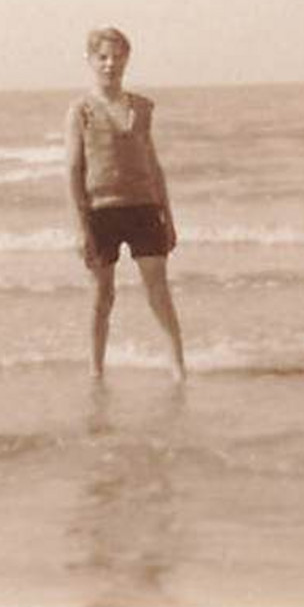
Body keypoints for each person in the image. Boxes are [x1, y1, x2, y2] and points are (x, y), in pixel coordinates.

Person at [65, 28, 186, 382]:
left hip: (144, 208)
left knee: (158, 289)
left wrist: (169, 217)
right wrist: (79, 227)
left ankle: (177, 368)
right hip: (100, 211)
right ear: (90, 61)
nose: (110, 64)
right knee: (102, 296)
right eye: (102, 57)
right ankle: (96, 371)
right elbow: (73, 170)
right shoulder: (80, 111)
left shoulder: (142, 107)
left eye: (117, 56)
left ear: (126, 60)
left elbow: (153, 164)